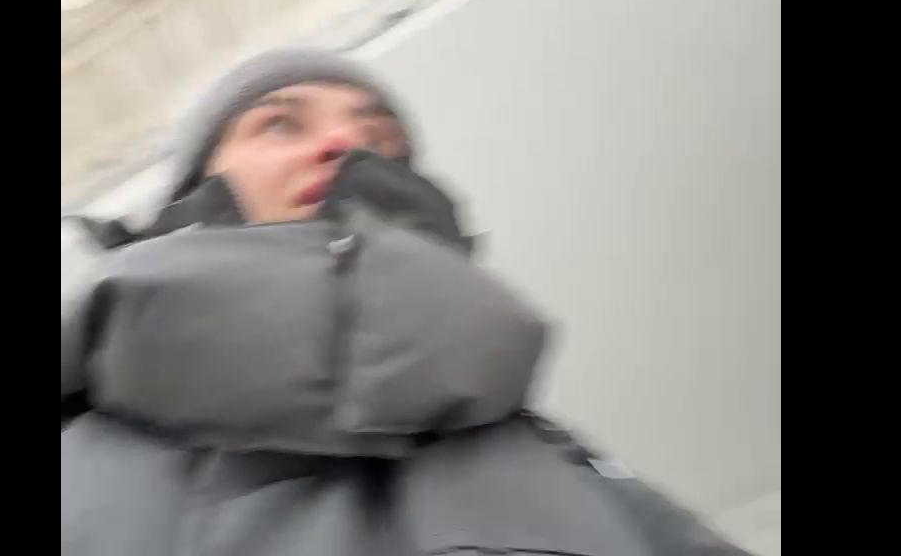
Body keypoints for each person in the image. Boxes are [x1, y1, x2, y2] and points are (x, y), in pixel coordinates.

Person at [61, 47, 750, 555]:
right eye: (280, 124)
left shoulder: (554, 454)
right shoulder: (84, 448)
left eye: (379, 140)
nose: (344, 143)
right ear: (191, 189)